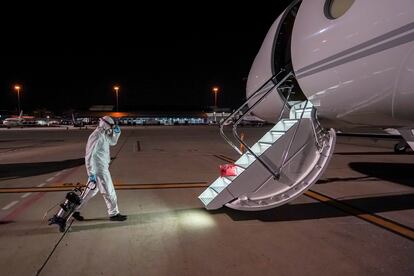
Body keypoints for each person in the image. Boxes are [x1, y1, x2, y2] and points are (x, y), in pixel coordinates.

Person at [73, 115, 127, 221]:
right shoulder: (96, 136)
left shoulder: (103, 134)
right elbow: (89, 155)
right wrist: (91, 173)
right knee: (109, 190)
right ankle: (114, 214)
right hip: (99, 169)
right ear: (105, 123)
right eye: (111, 126)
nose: (111, 128)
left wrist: (116, 133)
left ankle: (75, 210)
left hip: (101, 167)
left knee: (90, 191)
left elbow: (112, 142)